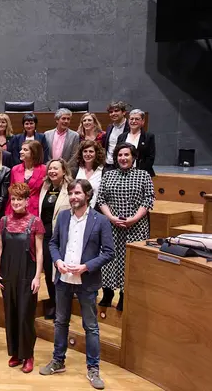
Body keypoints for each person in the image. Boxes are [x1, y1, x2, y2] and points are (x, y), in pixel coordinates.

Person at [40, 179, 114, 390]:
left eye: (78, 193)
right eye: (71, 193)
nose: (73, 197)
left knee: (90, 326)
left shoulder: (100, 220)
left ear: (87, 195)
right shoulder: (63, 216)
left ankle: (93, 368)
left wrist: (86, 267)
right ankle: (58, 361)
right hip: (63, 280)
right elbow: (53, 243)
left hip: (86, 281)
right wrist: (57, 261)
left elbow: (109, 252)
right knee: (60, 322)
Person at [96, 143, 154, 311]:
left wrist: (133, 219)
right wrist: (111, 217)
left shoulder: (143, 175)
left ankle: (124, 294)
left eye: (126, 155)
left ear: (133, 157)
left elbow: (149, 199)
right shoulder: (108, 175)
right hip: (112, 225)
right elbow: (101, 199)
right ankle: (107, 293)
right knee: (109, 259)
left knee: (128, 261)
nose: (123, 158)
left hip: (136, 226)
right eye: (120, 155)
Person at [0, 183, 44, 373]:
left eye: (19, 199)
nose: (16, 202)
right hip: (7, 273)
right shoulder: (4, 221)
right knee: (11, 314)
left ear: (27, 201)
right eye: (13, 199)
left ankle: (28, 354)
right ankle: (15, 352)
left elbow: (39, 252)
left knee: (25, 316)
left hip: (27, 274)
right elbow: (0, 248)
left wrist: (37, 277)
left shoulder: (35, 222)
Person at [38, 159, 72, 319]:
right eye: (50, 168)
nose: (52, 171)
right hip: (45, 235)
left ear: (64, 171)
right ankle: (53, 302)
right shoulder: (45, 187)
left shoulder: (70, 189)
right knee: (48, 269)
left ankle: (62, 306)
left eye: (56, 168)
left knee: (60, 271)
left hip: (63, 236)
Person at [7, 140, 46, 217]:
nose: (21, 152)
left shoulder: (44, 170)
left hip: (35, 209)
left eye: (25, 150)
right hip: (16, 208)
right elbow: (11, 192)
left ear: (34, 153)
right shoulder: (15, 169)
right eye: (21, 149)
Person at [116, 109, 155, 177]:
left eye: (137, 119)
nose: (133, 121)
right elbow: (116, 154)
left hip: (142, 174)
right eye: (131, 119)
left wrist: (139, 173)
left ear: (142, 121)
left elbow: (150, 157)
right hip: (123, 172)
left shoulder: (149, 137)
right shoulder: (121, 137)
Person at [70, 140, 105, 206]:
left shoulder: (103, 171)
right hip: (77, 207)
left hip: (96, 209)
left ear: (96, 153)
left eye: (91, 151)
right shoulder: (75, 171)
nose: (88, 154)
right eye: (85, 151)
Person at [102, 101, 128, 171]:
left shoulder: (130, 127)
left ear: (124, 112)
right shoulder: (109, 127)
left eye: (116, 111)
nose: (113, 113)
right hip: (108, 164)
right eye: (111, 112)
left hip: (123, 165)